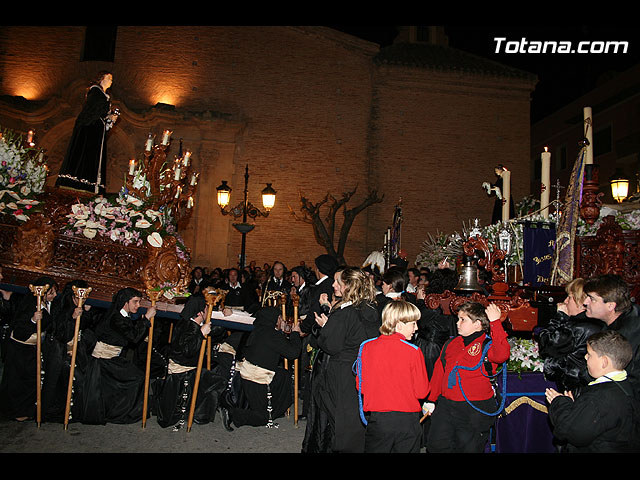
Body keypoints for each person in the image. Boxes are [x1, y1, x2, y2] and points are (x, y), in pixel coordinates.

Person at [301, 266, 377, 453]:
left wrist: (325, 328)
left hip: (340, 374)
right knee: (352, 419)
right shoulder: (369, 308)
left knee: (338, 421)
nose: (333, 285)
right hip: (359, 371)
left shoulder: (346, 313)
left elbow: (330, 344)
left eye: (338, 282)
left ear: (349, 286)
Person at [426, 301, 510, 453]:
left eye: (462, 320)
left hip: (474, 409)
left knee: (468, 448)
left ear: (477, 324)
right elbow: (440, 371)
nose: (457, 323)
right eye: (458, 319)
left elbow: (502, 354)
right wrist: (431, 399)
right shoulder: (451, 343)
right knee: (436, 445)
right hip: (447, 406)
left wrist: (495, 323)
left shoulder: (487, 345)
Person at [545, 330, 640, 452]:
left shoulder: (598, 398)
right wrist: (577, 409)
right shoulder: (627, 386)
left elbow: (572, 432)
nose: (585, 357)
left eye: (589, 354)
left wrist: (559, 403)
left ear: (604, 362)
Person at [355, 300, 429, 453]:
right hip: (407, 421)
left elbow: (360, 386)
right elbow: (421, 391)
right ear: (399, 324)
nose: (416, 328)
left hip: (379, 420)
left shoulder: (367, 347)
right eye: (413, 323)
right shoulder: (413, 351)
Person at [78, 287, 154, 424]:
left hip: (113, 358)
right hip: (103, 361)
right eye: (135, 302)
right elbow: (133, 337)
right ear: (125, 302)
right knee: (137, 377)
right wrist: (146, 319)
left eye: (139, 302)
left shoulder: (123, 315)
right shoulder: (116, 317)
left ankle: (124, 410)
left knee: (137, 376)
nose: (138, 305)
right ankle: (123, 411)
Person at [220, 306, 302, 430]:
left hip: (250, 371)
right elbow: (293, 353)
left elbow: (278, 343)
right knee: (263, 418)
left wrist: (283, 330)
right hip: (256, 377)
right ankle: (232, 413)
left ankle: (276, 409)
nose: (282, 320)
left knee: (284, 375)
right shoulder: (271, 335)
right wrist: (295, 333)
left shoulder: (259, 330)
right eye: (280, 318)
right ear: (274, 319)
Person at [154, 294, 226, 429]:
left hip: (187, 366)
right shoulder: (191, 327)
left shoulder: (186, 322)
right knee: (218, 381)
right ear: (199, 312)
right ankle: (198, 414)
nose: (206, 311)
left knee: (214, 367)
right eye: (205, 308)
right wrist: (201, 333)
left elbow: (216, 332)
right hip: (185, 372)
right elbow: (187, 349)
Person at [41, 279, 99, 423]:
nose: (83, 299)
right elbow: (61, 334)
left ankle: (77, 412)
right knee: (75, 379)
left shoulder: (82, 307)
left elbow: (86, 328)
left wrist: (85, 313)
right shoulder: (61, 309)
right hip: (61, 355)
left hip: (78, 353)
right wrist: (72, 318)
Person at [0, 277, 57, 421]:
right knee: (17, 381)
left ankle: (27, 409)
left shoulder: (49, 304)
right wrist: (32, 320)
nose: (54, 295)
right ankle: (15, 411)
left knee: (32, 379)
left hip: (34, 347)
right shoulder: (29, 304)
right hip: (20, 348)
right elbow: (19, 328)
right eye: (51, 293)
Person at [535, 278, 603, 393]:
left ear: (582, 302)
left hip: (576, 389)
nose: (565, 301)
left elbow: (547, 345)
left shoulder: (577, 328)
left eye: (570, 298)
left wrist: (559, 317)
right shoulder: (596, 323)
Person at [56, 71, 118, 194]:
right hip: (90, 129)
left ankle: (91, 184)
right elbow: (92, 111)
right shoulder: (95, 92)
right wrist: (108, 114)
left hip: (97, 130)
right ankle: (79, 182)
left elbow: (101, 114)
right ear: (101, 79)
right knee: (85, 154)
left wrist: (110, 117)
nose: (111, 81)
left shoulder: (104, 96)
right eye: (109, 78)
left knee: (94, 157)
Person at [583, 274, 640, 397]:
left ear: (610, 306)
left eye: (592, 299)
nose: (585, 302)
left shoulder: (625, 336)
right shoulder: (628, 315)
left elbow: (627, 382)